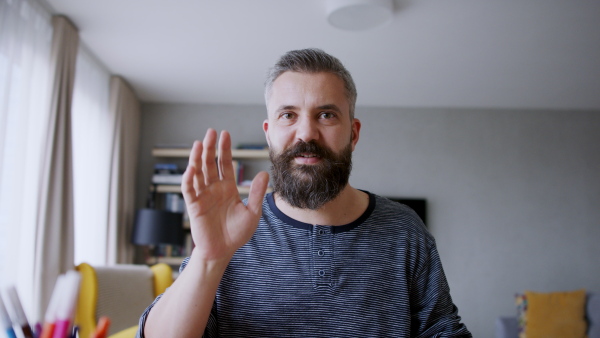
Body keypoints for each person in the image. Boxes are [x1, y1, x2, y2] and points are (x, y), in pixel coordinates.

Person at [137, 48, 471, 337]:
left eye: (326, 115)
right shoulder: (229, 234)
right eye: (288, 115)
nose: (306, 133)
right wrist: (209, 258)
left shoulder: (404, 230)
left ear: (353, 134)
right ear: (269, 134)